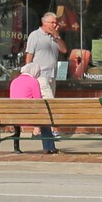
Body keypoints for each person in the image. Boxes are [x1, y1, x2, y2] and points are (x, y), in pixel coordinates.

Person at [24, 12, 65, 154]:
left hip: (52, 76)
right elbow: (29, 56)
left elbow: (64, 50)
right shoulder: (35, 35)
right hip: (40, 76)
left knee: (46, 106)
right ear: (45, 22)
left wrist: (57, 36)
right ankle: (52, 130)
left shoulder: (54, 37)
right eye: (53, 23)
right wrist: (28, 75)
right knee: (49, 106)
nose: (55, 25)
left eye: (56, 23)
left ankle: (38, 131)